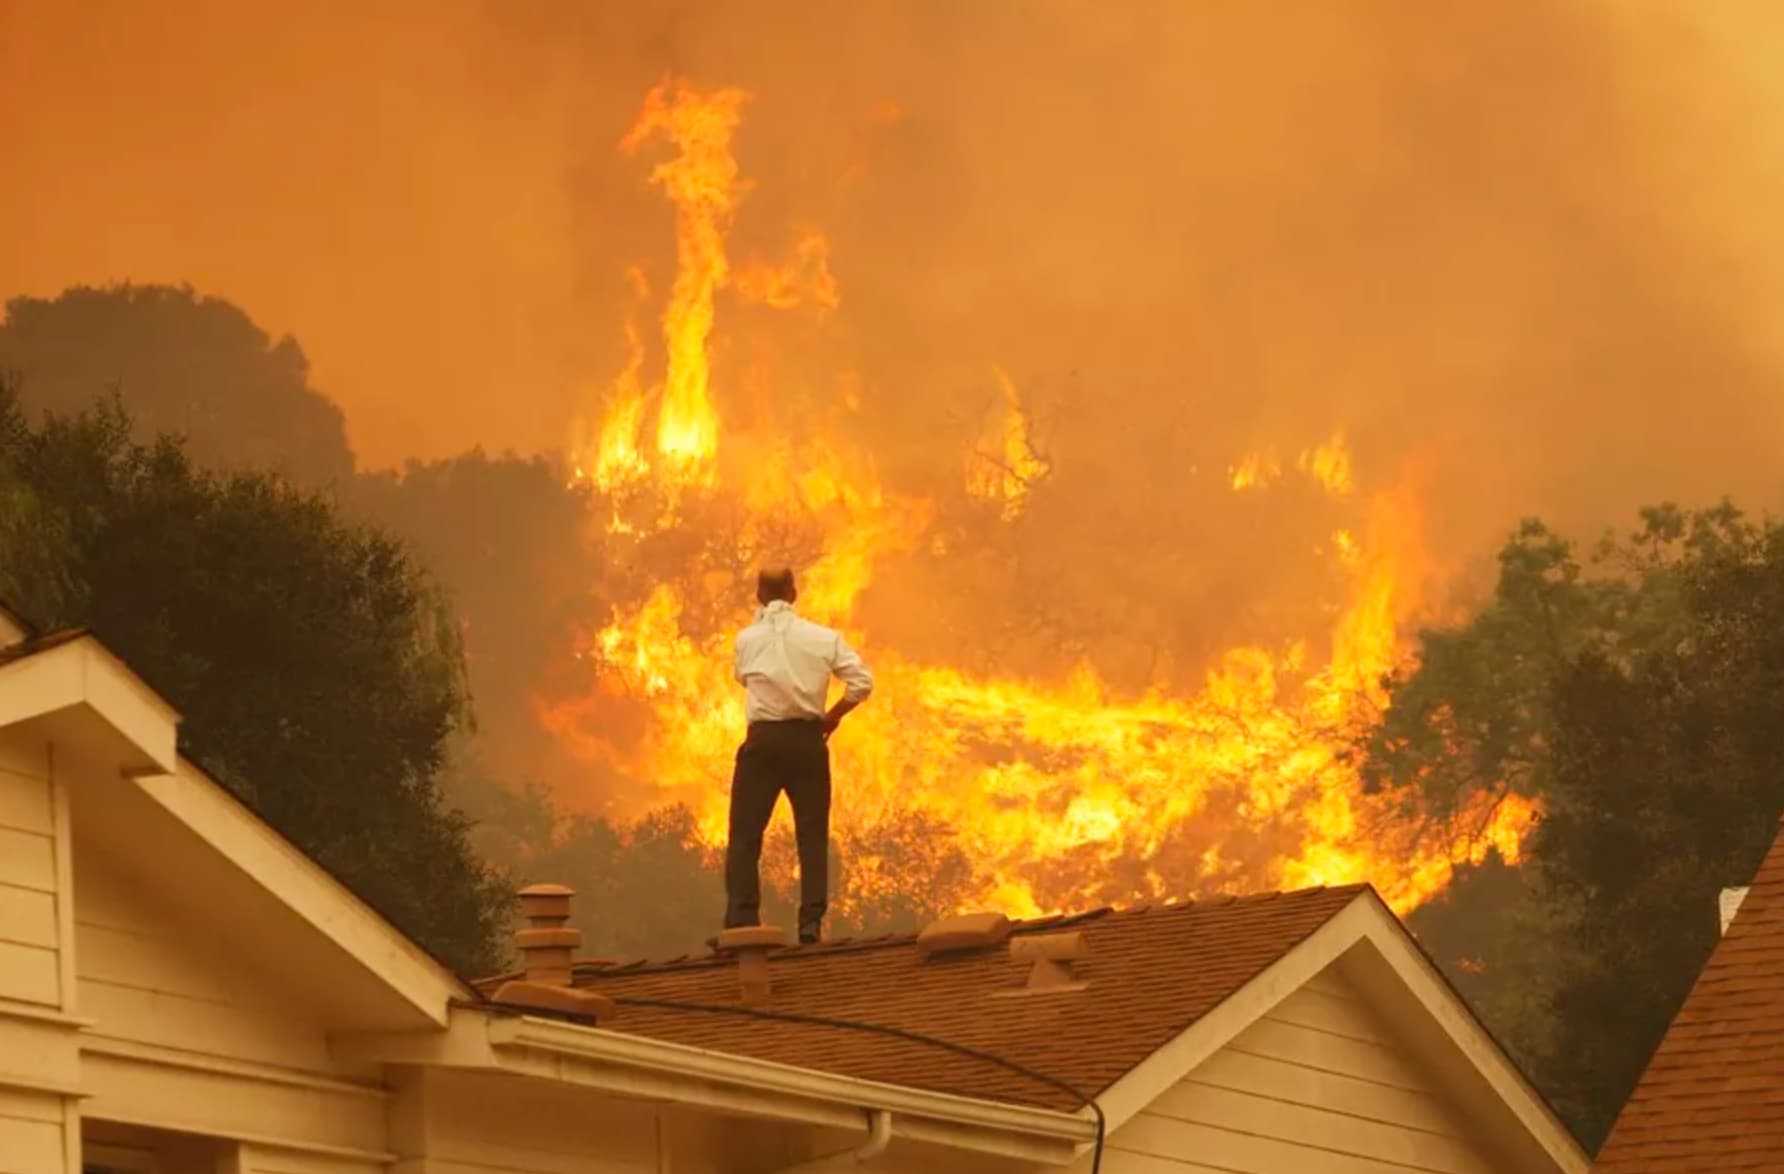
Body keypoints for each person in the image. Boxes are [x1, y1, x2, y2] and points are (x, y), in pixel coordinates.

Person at [724, 566, 873, 944]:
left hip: (763, 742)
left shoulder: (746, 640)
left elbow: (744, 677)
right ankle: (810, 924)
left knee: (744, 835)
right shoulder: (824, 638)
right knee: (811, 836)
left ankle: (742, 922)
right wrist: (832, 717)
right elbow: (861, 683)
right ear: (794, 593)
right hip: (807, 742)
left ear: (759, 595)